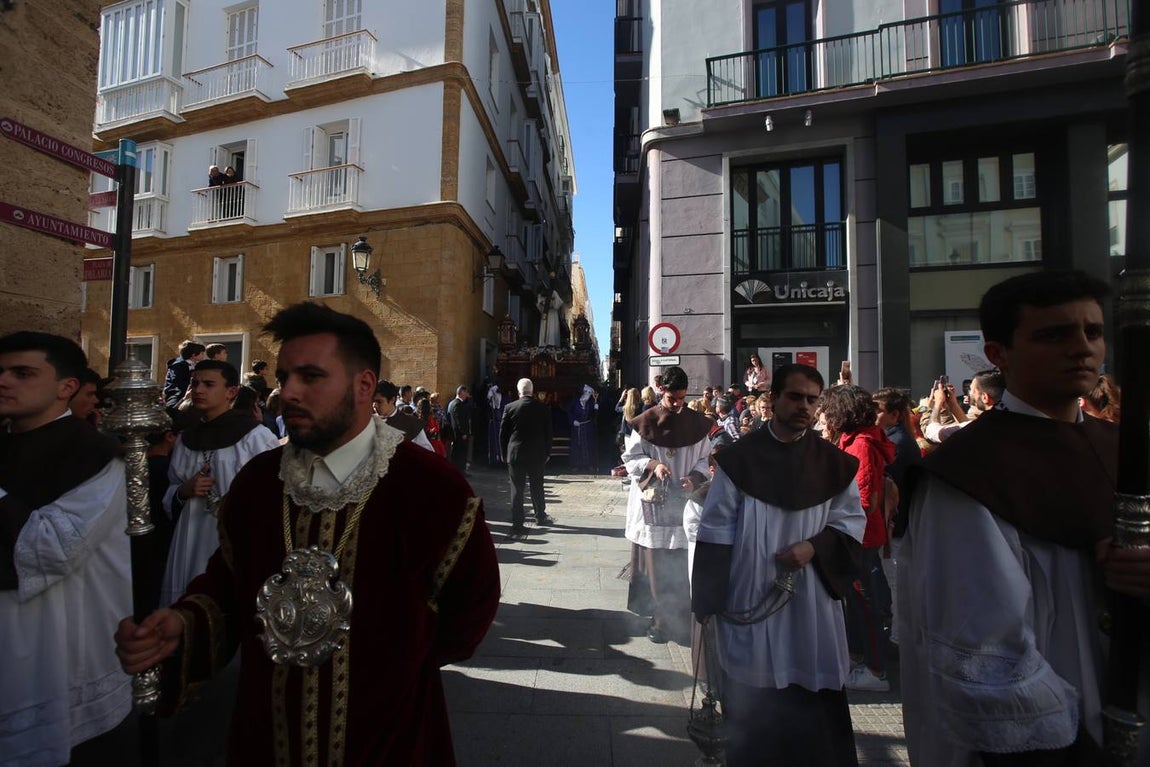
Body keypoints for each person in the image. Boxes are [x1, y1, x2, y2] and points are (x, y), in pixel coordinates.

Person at [114, 302, 501, 766]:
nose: (288, 392)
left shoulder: (431, 488)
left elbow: (469, 612)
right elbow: (228, 585)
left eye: (311, 377)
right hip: (266, 735)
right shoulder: (258, 483)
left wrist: (389, 661)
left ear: (364, 386)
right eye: (283, 377)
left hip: (389, 738)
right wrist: (183, 623)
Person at [898, 270, 1150, 765]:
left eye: (1093, 332)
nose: (1082, 348)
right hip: (1055, 738)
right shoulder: (967, 471)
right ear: (999, 353)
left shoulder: (1127, 450)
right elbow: (981, 648)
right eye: (1055, 334)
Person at [692, 363, 865, 767]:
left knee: (812, 701)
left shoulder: (834, 463)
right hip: (751, 593)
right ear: (772, 399)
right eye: (795, 396)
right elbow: (715, 530)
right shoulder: (740, 459)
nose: (804, 406)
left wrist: (814, 547)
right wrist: (708, 601)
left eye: (812, 400)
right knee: (753, 706)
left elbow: (851, 523)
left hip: (810, 600)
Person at [0, 332, 131, 765]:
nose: (3, 381)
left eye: (22, 373)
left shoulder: (96, 455)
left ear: (66, 387)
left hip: (53, 635)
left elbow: (50, 549)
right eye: (0, 371)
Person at [160, 360, 279, 605]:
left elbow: (271, 494)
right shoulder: (186, 439)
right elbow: (171, 489)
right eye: (194, 383)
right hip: (189, 535)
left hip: (234, 539)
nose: (198, 390)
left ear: (231, 392)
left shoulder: (255, 437)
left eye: (208, 384)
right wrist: (183, 491)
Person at [622, 366, 712, 645]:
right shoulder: (645, 422)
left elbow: (705, 459)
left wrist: (694, 477)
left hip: (683, 502)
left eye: (682, 398)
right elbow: (631, 458)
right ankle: (659, 620)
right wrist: (654, 465)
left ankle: (681, 618)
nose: (677, 404)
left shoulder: (698, 424)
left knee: (682, 564)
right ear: (662, 390)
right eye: (672, 398)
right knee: (656, 564)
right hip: (653, 504)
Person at [818, 384, 895, 692]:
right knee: (857, 602)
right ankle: (858, 657)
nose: (822, 415)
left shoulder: (861, 444)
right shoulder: (855, 440)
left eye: (826, 410)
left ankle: (876, 671)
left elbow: (864, 501)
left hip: (859, 537)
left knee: (866, 604)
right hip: (855, 535)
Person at [500, 378, 555, 538]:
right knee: (537, 485)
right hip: (537, 454)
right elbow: (548, 433)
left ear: (519, 392)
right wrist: (547, 453)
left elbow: (503, 433)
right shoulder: (543, 408)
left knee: (517, 488)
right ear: (532, 391)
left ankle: (518, 522)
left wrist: (504, 454)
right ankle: (540, 516)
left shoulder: (510, 407)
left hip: (515, 454)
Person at [372, 379, 434, 451]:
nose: (374, 406)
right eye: (373, 401)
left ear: (392, 399)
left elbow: (427, 452)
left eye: (379, 401)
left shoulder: (411, 423)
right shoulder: (368, 422)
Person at [163, 340, 206, 407]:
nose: (203, 356)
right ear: (193, 355)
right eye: (202, 353)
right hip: (177, 394)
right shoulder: (178, 365)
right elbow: (177, 381)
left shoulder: (195, 365)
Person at [568, 384, 598, 473]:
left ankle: (589, 464)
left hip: (587, 427)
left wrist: (596, 406)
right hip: (577, 427)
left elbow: (594, 415)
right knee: (576, 446)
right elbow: (569, 411)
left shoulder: (591, 402)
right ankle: (576, 465)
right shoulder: (575, 401)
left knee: (589, 446)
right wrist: (573, 421)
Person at [447, 385, 473, 473]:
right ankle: (460, 471)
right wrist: (463, 433)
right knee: (460, 453)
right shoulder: (458, 404)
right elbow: (459, 420)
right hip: (459, 435)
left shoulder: (452, 403)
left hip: (454, 433)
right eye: (465, 392)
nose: (467, 395)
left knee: (457, 452)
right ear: (461, 392)